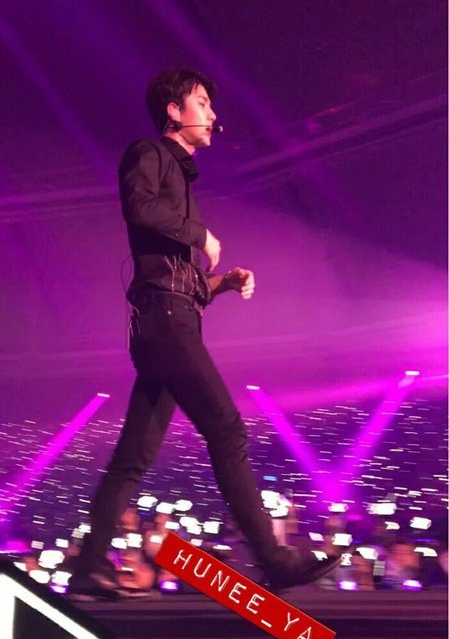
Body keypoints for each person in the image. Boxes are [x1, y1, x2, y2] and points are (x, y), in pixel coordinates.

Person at [69, 68, 341, 600]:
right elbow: (139, 209)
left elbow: (175, 278)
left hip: (167, 320)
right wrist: (201, 235)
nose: (213, 114)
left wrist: (220, 283)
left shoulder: (180, 179)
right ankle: (273, 558)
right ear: (174, 111)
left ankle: (89, 565)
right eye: (202, 102)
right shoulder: (149, 153)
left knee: (134, 456)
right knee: (227, 428)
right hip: (165, 324)